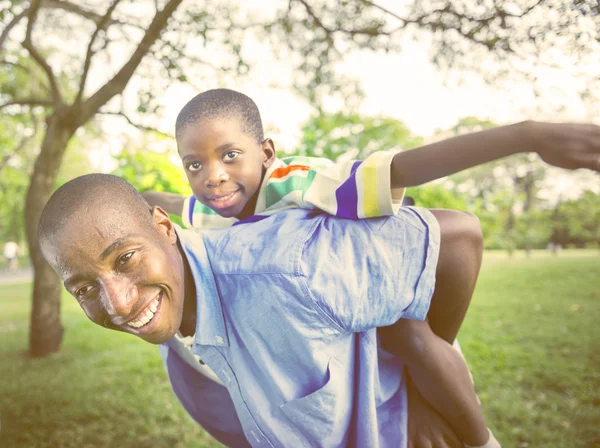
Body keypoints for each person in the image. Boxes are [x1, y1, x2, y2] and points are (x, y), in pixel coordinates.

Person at [144, 89, 495, 446]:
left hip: (381, 277)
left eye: (230, 155)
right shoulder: (215, 209)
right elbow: (175, 202)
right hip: (332, 318)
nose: (213, 176)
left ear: (266, 153)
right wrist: (132, 198)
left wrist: (524, 137)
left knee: (410, 336)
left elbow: (392, 172)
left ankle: (474, 437)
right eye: (194, 165)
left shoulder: (296, 182)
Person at [40, 174, 491, 447]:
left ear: (164, 228)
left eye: (124, 259)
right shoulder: (171, 301)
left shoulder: (290, 269)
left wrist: (426, 375)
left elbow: (458, 236)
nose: (117, 303)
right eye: (83, 287)